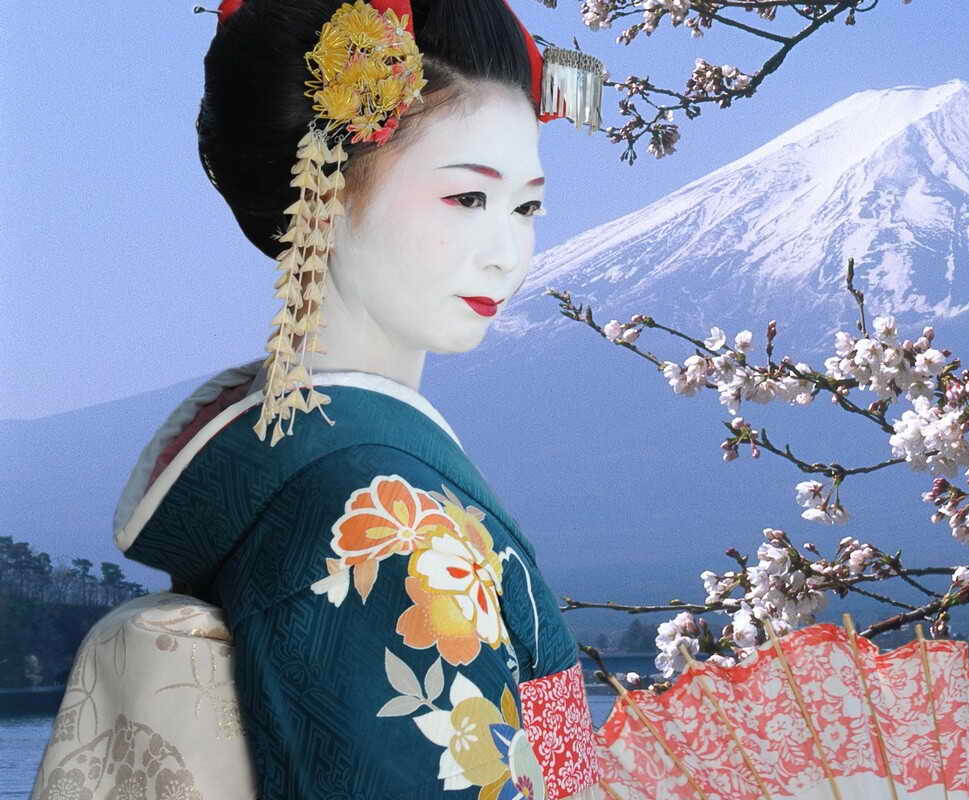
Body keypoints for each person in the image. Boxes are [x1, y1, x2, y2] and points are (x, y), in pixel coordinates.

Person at [34, 1, 609, 797]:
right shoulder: (386, 519)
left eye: (527, 206)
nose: (508, 253)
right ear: (326, 194)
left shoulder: (301, 475)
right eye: (467, 198)